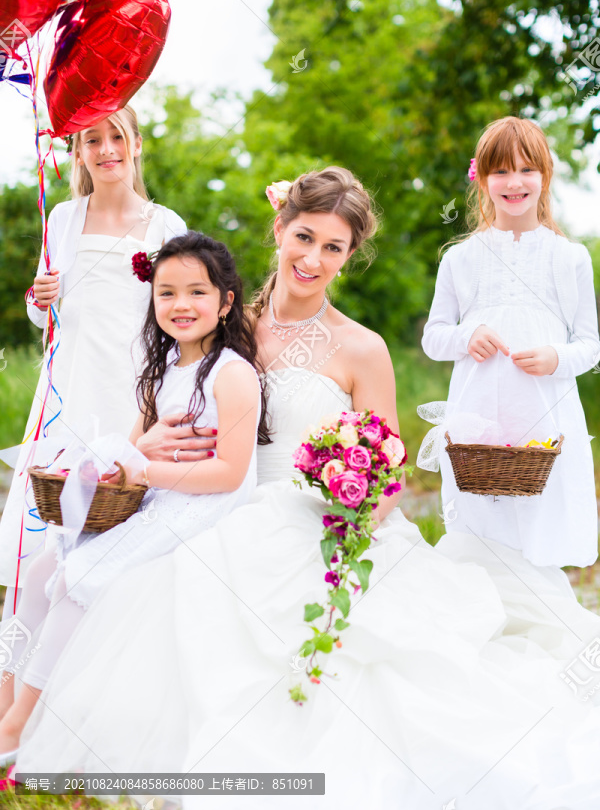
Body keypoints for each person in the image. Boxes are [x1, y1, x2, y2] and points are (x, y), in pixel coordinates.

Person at [14, 168, 600, 808]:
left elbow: (390, 468)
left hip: (321, 516)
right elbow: (162, 395)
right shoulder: (222, 320)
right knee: (121, 578)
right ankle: (29, 716)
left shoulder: (362, 348)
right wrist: (142, 446)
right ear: (279, 229)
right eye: (304, 237)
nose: (313, 259)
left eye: (333, 247)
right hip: (210, 500)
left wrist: (357, 520)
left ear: (350, 257)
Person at [0, 232, 263, 763]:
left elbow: (230, 473)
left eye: (197, 292)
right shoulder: (163, 367)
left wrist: (146, 468)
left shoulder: (233, 374)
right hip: (154, 498)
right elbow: (131, 452)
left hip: (201, 508)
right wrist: (133, 459)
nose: (181, 305)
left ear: (226, 300)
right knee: (41, 568)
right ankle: (5, 702)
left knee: (79, 578)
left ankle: (19, 728)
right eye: (166, 293)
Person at [0, 106, 188, 616]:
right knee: (60, 504)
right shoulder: (63, 219)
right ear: (79, 153)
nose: (107, 150)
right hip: (72, 382)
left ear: (137, 144)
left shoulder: (165, 224)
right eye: (92, 140)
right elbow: (43, 316)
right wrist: (39, 300)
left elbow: (182, 312)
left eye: (117, 137)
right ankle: (43, 621)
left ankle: (114, 623)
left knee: (125, 501)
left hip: (134, 387)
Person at [421, 116, 599, 568]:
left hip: (545, 421)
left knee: (539, 530)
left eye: (526, 170)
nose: (514, 182)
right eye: (500, 171)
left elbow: (590, 345)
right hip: (477, 423)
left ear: (545, 176)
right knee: (481, 534)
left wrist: (556, 356)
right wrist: (466, 336)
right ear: (481, 178)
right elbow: (433, 338)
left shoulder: (569, 257)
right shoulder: (460, 258)